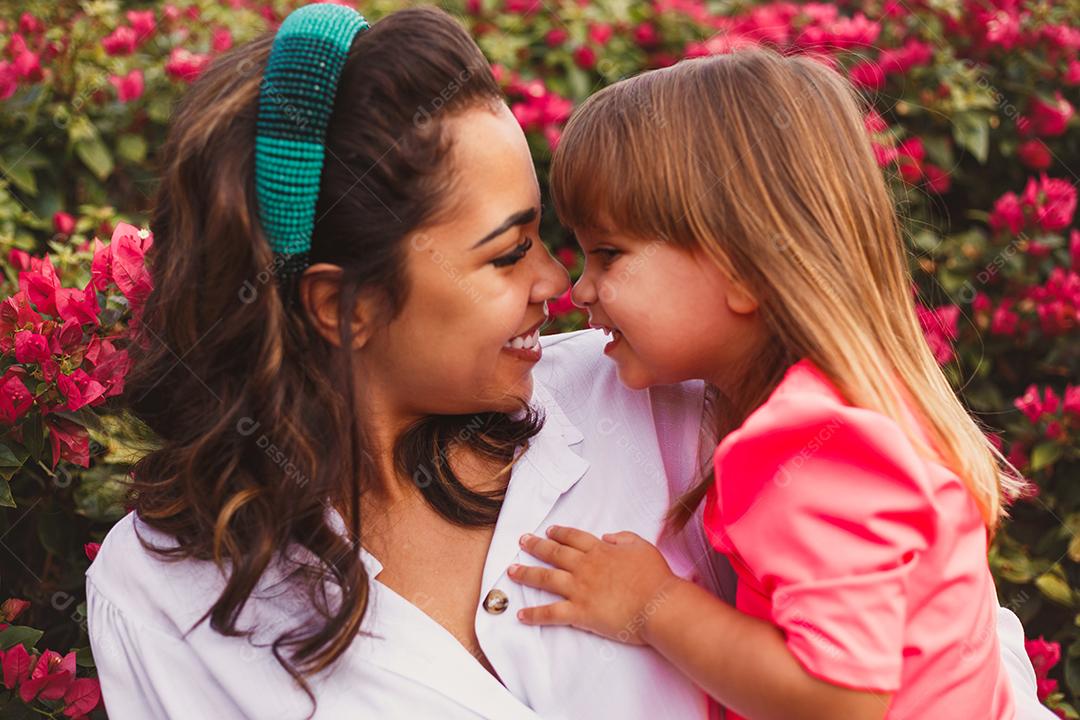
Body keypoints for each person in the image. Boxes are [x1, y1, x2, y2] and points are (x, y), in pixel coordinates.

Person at [86, 5, 1051, 719]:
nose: (558, 283)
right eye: (509, 253)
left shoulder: (674, 395)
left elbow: (950, 651)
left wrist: (660, 609)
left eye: (582, 247)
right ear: (344, 308)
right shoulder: (161, 594)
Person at [508, 48, 1051, 719]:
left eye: (609, 255)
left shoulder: (806, 444)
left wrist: (653, 604)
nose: (579, 290)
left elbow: (842, 698)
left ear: (744, 271)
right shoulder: (855, 405)